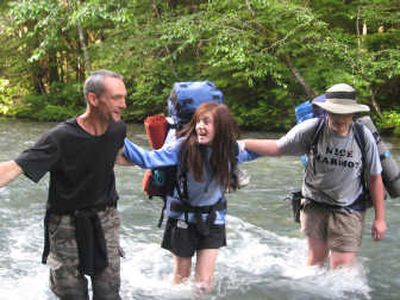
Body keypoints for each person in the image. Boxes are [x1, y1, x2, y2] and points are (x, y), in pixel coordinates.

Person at [0, 69, 127, 299]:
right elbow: (13, 168)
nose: (124, 104)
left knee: (109, 293)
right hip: (66, 224)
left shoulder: (118, 128)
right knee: (72, 295)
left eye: (124, 97)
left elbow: (117, 156)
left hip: (106, 219)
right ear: (93, 99)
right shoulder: (60, 138)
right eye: (117, 98)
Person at [242, 83, 387, 269]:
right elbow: (278, 148)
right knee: (315, 263)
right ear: (327, 111)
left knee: (341, 268)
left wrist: (380, 219)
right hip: (313, 205)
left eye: (345, 114)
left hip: (348, 209)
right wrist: (243, 144)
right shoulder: (312, 129)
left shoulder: (362, 136)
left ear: (353, 114)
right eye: (335, 113)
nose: (340, 119)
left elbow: (375, 177)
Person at [120, 102, 258, 293]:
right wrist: (117, 135)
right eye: (199, 121)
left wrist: (290, 144)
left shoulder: (229, 151)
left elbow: (266, 149)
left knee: (203, 285)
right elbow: (148, 160)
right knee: (181, 281)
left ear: (222, 128)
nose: (201, 126)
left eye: (207, 122)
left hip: (212, 220)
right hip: (182, 220)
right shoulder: (182, 148)